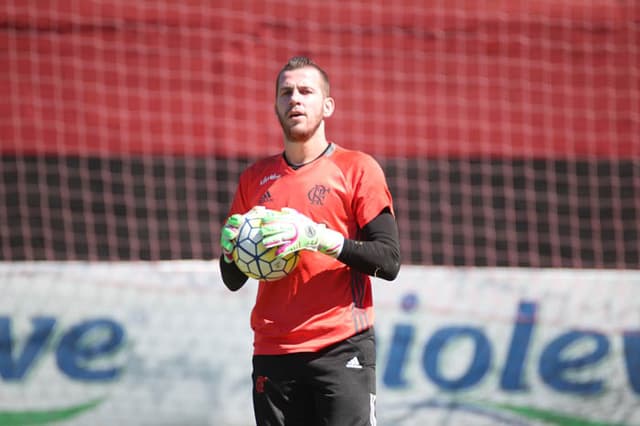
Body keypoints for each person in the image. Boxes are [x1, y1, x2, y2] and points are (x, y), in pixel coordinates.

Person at [219, 56, 401, 426]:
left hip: (341, 347)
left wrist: (317, 238)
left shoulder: (357, 168)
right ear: (275, 106)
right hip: (273, 352)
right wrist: (230, 251)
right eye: (286, 92)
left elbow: (389, 260)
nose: (295, 100)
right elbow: (233, 279)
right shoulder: (254, 179)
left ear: (327, 105)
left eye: (306, 91)